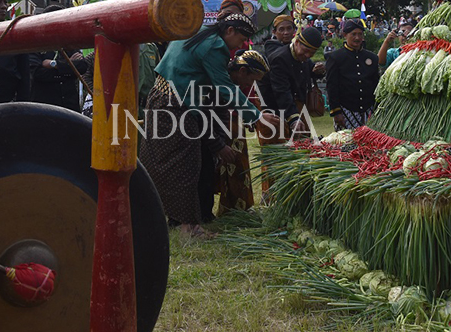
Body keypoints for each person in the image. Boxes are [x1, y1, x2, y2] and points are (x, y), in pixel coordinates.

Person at [138, 13, 274, 235]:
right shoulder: (215, 45)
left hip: (158, 97)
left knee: (158, 160)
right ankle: (189, 227)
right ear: (230, 30)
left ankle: (161, 215)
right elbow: (225, 88)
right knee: (187, 165)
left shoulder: (196, 30)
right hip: (178, 105)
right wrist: (256, 116)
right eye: (241, 40)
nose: (240, 45)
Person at [213, 49, 268, 215]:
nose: (251, 85)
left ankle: (238, 208)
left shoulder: (238, 80)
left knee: (239, 164)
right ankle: (229, 209)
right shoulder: (219, 77)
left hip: (235, 121)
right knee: (227, 165)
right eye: (251, 80)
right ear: (243, 71)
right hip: (220, 124)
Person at [259, 27, 324, 136]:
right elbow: (281, 91)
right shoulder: (279, 58)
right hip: (274, 110)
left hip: (296, 108)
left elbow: (307, 74)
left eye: (312, 53)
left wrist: (318, 71)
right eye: (306, 51)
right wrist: (293, 118)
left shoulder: (304, 59)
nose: (308, 56)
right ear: (297, 42)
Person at [29, 5, 88, 110]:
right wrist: (69, 66)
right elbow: (37, 73)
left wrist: (54, 64)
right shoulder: (35, 45)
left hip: (70, 106)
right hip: (44, 107)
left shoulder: (69, 43)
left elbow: (82, 66)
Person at [326, 19, 381, 131]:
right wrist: (336, 112)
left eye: (360, 34)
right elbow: (332, 86)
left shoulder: (372, 58)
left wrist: (376, 109)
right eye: (353, 34)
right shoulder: (335, 57)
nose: (357, 38)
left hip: (368, 110)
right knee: (346, 144)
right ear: (345, 35)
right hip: (346, 110)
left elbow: (376, 84)